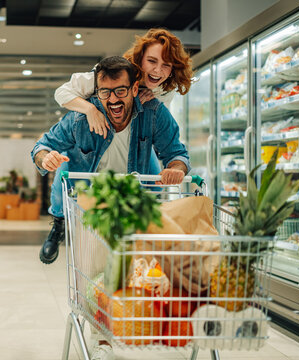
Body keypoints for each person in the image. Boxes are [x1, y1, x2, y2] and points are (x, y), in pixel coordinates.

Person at [31, 56, 190, 266]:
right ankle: (58, 225)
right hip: (89, 195)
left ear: (135, 89)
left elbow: (177, 153)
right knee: (64, 171)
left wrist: (176, 168)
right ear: (97, 91)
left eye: (120, 91)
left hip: (131, 194)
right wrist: (46, 158)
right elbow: (41, 147)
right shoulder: (79, 119)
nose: (113, 99)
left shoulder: (154, 113)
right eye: (105, 92)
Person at [54, 28, 193, 138]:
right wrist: (90, 110)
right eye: (152, 61)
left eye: (166, 65)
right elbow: (62, 93)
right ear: (140, 58)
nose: (157, 70)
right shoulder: (111, 74)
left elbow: (158, 127)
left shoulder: (165, 90)